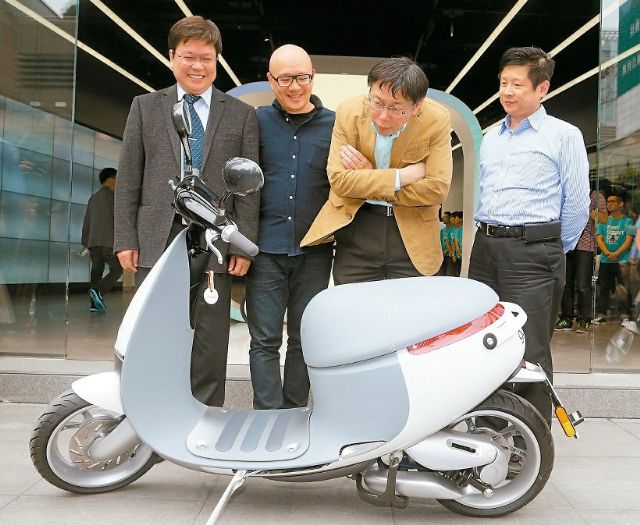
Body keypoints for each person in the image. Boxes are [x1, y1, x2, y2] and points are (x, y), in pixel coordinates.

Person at [113, 15, 259, 407]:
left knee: (211, 333)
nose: (198, 66)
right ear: (172, 57)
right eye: (189, 57)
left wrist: (242, 246)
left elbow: (249, 187)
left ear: (217, 60)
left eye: (207, 58)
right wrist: (125, 237)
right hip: (156, 234)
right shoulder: (145, 107)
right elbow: (129, 177)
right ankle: (149, 412)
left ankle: (206, 412)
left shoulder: (241, 114)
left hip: (213, 240)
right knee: (152, 331)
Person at [469, 47, 590, 424]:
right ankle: (488, 427)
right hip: (485, 249)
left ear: (542, 89)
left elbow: (577, 206)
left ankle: (531, 438)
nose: (507, 91)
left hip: (533, 251)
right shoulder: (492, 137)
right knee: (484, 341)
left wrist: (548, 244)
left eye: (517, 84)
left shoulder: (563, 136)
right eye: (503, 83)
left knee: (529, 346)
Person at [301, 57, 452, 283]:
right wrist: (401, 177)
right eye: (377, 102)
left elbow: (436, 190)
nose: (383, 115)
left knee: (411, 314)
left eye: (395, 108)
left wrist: (368, 176)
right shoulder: (349, 112)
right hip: (358, 226)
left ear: (417, 107)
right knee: (354, 311)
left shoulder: (436, 119)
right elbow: (340, 181)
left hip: (413, 234)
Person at [245, 45, 335, 410]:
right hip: (264, 249)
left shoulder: (337, 125)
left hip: (315, 248)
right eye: (285, 79)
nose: (294, 86)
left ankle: (295, 412)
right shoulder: (255, 122)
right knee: (264, 339)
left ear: (312, 77)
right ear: (271, 80)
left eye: (302, 77)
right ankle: (267, 417)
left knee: (303, 339)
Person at [555, 189, 607, 333]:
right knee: (565, 284)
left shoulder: (596, 196)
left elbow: (604, 218)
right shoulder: (567, 194)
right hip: (567, 243)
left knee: (583, 285)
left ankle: (584, 319)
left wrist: (587, 209)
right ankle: (566, 318)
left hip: (585, 245)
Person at [81, 167, 122, 312]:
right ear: (111, 179)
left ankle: (94, 304)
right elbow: (119, 219)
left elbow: (87, 220)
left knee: (96, 271)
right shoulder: (113, 196)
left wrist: (85, 241)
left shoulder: (93, 197)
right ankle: (99, 291)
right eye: (117, 178)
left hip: (93, 242)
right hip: (108, 241)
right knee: (117, 269)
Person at [594, 194, 635, 323]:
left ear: (621, 204)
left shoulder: (629, 221)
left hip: (622, 260)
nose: (609, 204)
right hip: (606, 260)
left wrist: (616, 253)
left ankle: (625, 314)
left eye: (612, 202)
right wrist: (607, 252)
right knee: (604, 288)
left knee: (623, 287)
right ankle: (601, 314)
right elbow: (599, 238)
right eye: (608, 202)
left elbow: (629, 241)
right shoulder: (603, 220)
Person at [437, 211, 451, 276]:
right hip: (442, 255)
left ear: (449, 218)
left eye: (446, 217)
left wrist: (446, 251)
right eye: (443, 217)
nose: (443, 218)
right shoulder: (442, 230)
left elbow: (452, 242)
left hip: (449, 255)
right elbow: (440, 242)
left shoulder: (452, 229)